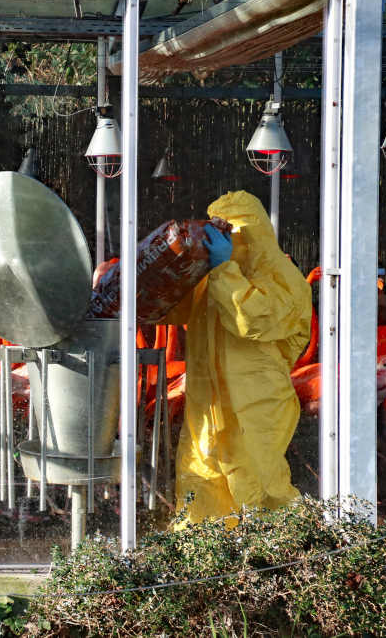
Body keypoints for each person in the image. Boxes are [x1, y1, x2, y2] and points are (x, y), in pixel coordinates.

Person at [161, 190, 311, 525]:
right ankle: (201, 564)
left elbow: (251, 319)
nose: (227, 240)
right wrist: (173, 268)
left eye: (234, 233)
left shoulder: (283, 279)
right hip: (208, 405)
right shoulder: (214, 273)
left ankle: (283, 562)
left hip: (257, 404)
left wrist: (224, 269)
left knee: (261, 481)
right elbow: (169, 310)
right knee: (200, 482)